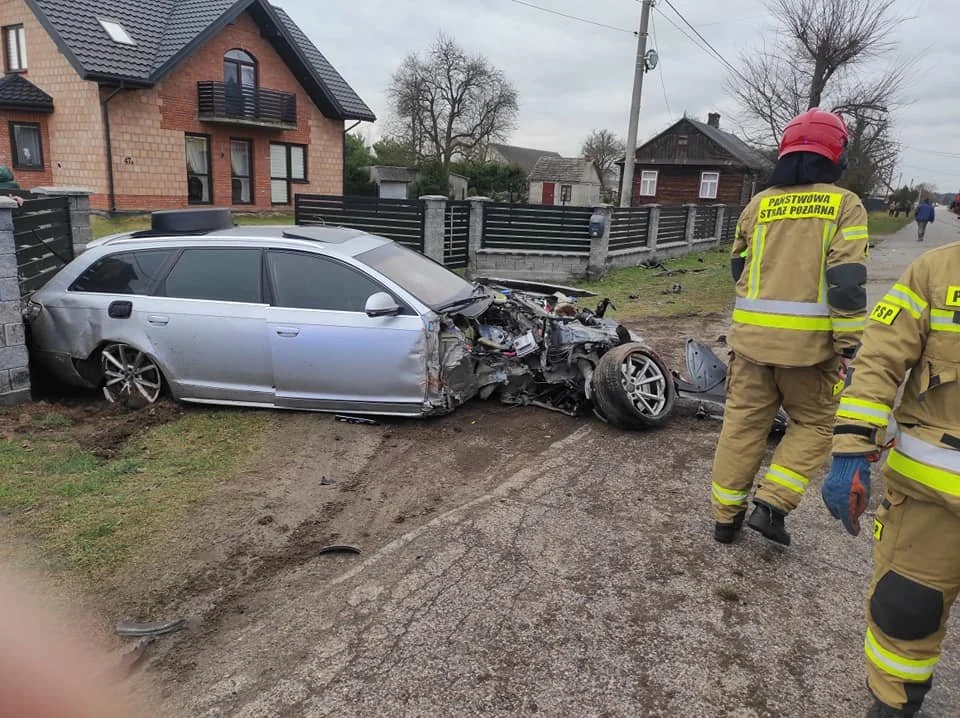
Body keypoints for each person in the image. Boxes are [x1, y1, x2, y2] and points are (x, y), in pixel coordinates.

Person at [711, 108, 870, 546]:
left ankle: (726, 520)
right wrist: (849, 344)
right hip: (811, 353)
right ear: (836, 154)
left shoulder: (758, 204)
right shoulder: (845, 205)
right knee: (816, 425)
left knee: (742, 426)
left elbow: (737, 265)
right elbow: (847, 282)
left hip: (750, 345)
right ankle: (773, 504)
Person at [822, 241, 960, 717]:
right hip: (932, 499)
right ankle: (894, 703)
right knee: (903, 610)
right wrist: (850, 451)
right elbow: (879, 360)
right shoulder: (936, 271)